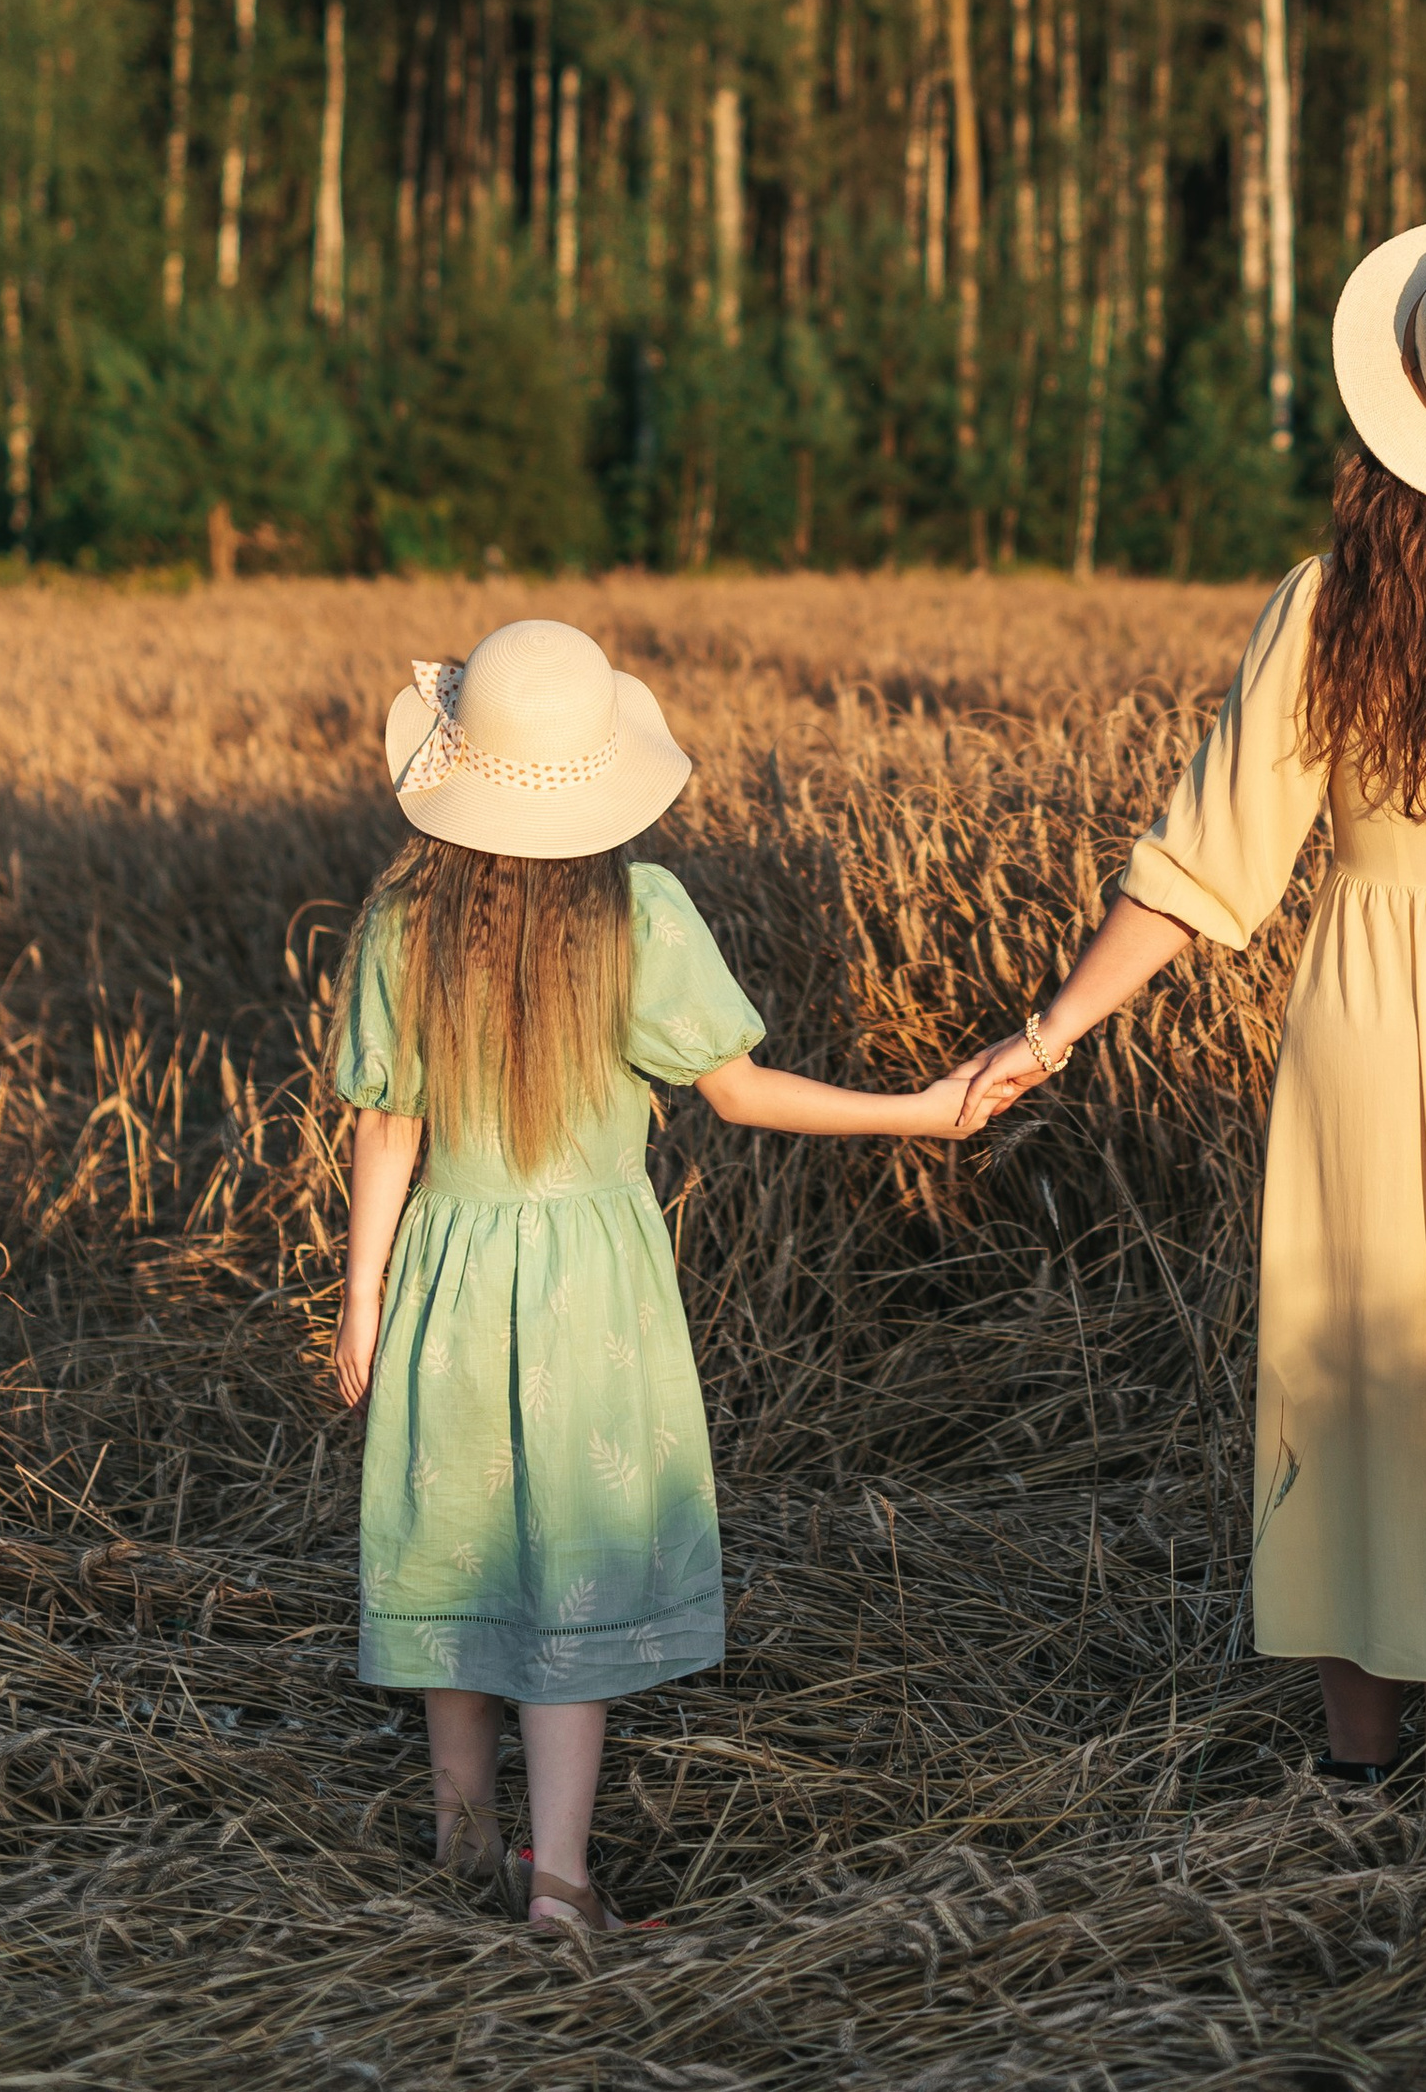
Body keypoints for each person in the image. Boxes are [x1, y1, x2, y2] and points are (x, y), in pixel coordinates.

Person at [959, 219, 1426, 1797]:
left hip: (1371, 1028)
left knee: (1362, 1381)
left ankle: (1351, 1764)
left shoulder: (1329, 606)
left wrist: (1046, 1031)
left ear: (1396, 418)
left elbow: (1197, 868)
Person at [331, 614, 969, 1932]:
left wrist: (363, 1295)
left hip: (449, 1266)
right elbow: (738, 1091)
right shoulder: (642, 917)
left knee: (455, 1541)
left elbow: (383, 1121)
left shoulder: (402, 923)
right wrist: (913, 1107)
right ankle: (557, 1886)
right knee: (567, 1559)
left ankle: (461, 1842)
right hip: (592, 1293)